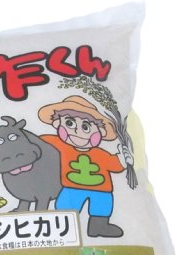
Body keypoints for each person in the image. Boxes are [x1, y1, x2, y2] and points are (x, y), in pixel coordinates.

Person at [38, 95, 132, 238]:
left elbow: (115, 165)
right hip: (71, 187)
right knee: (66, 207)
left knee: (102, 206)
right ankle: (63, 228)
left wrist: (124, 159)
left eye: (86, 127)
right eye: (69, 123)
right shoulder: (60, 145)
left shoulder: (100, 154)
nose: (77, 131)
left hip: (101, 189)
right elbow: (40, 144)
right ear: (57, 124)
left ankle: (98, 227)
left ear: (100, 132)